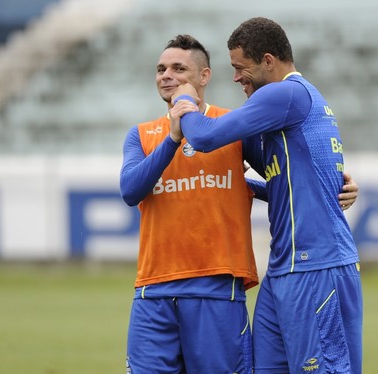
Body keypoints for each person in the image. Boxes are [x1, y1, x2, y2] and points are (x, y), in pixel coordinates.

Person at [119, 34, 359, 373]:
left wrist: (335, 187)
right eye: (160, 69)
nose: (166, 75)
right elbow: (130, 190)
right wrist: (174, 138)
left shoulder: (230, 129)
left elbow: (283, 177)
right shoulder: (142, 134)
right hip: (153, 290)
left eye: (178, 68)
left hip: (218, 289)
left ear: (204, 77)